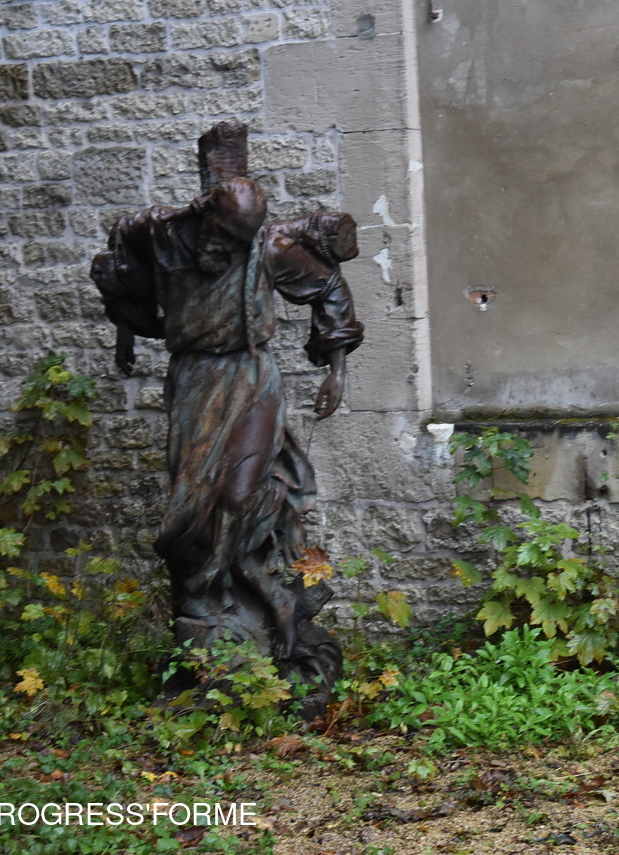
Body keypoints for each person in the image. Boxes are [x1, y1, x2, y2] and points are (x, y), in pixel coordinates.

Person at [91, 122, 363, 707]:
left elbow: (328, 291)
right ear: (209, 217)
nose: (240, 248)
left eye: (247, 238)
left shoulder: (268, 246)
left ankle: (273, 598)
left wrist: (336, 370)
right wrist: (126, 332)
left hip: (250, 376)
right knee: (189, 509)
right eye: (231, 235)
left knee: (240, 494)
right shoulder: (161, 233)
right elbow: (121, 268)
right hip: (193, 381)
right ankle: (212, 620)